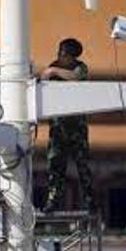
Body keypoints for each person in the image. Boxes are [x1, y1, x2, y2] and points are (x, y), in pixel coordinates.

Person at [40, 38, 96, 213]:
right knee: (55, 166)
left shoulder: (80, 67)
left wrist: (54, 71)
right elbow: (43, 82)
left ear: (72, 57)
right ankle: (53, 200)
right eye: (60, 53)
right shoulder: (53, 66)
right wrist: (49, 72)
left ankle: (90, 200)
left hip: (76, 128)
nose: (60, 57)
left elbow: (77, 77)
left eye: (64, 54)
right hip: (58, 128)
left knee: (83, 166)